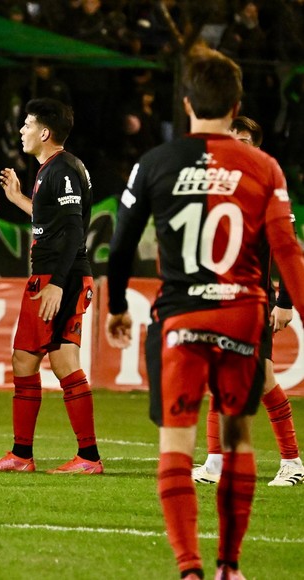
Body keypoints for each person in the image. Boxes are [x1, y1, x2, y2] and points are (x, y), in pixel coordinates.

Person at [105, 48, 304, 580]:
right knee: (237, 435)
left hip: (180, 318)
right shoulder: (265, 167)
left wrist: (117, 304)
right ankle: (230, 566)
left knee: (176, 439)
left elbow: (121, 244)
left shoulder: (154, 163)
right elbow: (288, 250)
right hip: (242, 316)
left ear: (187, 102)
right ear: (235, 103)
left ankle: (189, 568)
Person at [0, 98, 101, 475]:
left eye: (28, 125)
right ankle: (29, 455)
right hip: (55, 277)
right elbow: (54, 219)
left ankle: (82, 457)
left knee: (53, 361)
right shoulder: (55, 169)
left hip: (57, 278)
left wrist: (57, 285)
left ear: (45, 132)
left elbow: (74, 229)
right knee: (32, 359)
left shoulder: (61, 169)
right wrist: (18, 199)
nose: (21, 131)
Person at [190, 116, 304, 488]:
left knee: (263, 376)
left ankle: (292, 462)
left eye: (245, 141)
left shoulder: (270, 189)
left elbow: (286, 248)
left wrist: (285, 302)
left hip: (253, 300)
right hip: (218, 298)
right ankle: (215, 463)